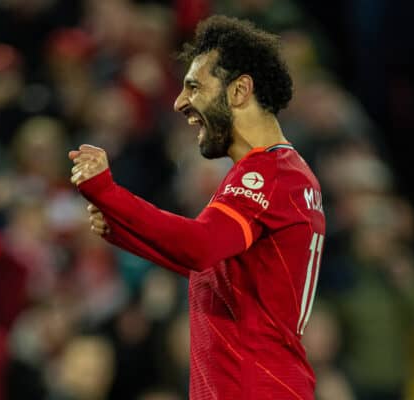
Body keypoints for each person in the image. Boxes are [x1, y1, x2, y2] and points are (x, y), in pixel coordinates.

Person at [69, 15, 325, 400]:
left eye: (194, 86)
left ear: (239, 91)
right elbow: (214, 272)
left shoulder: (268, 175)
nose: (179, 102)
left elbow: (200, 246)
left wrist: (108, 192)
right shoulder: (278, 173)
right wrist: (124, 230)